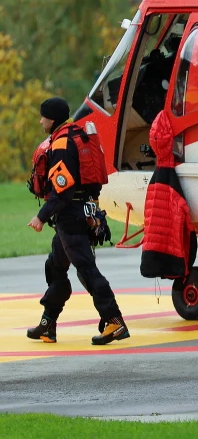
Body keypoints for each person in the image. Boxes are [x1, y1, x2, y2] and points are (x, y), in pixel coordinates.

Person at [25, 97, 129, 346]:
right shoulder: (78, 133)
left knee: (86, 269)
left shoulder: (60, 143)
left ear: (51, 119)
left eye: (42, 117)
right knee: (55, 265)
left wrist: (41, 217)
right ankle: (48, 324)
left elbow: (62, 190)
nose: (40, 121)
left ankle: (114, 321)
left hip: (70, 214)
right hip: (85, 209)